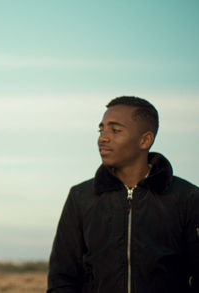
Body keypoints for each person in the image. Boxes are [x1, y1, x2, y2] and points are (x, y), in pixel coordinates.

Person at [47, 96, 198, 293]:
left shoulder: (187, 198)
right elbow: (62, 278)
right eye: (101, 130)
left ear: (145, 140)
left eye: (115, 130)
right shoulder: (81, 197)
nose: (103, 138)